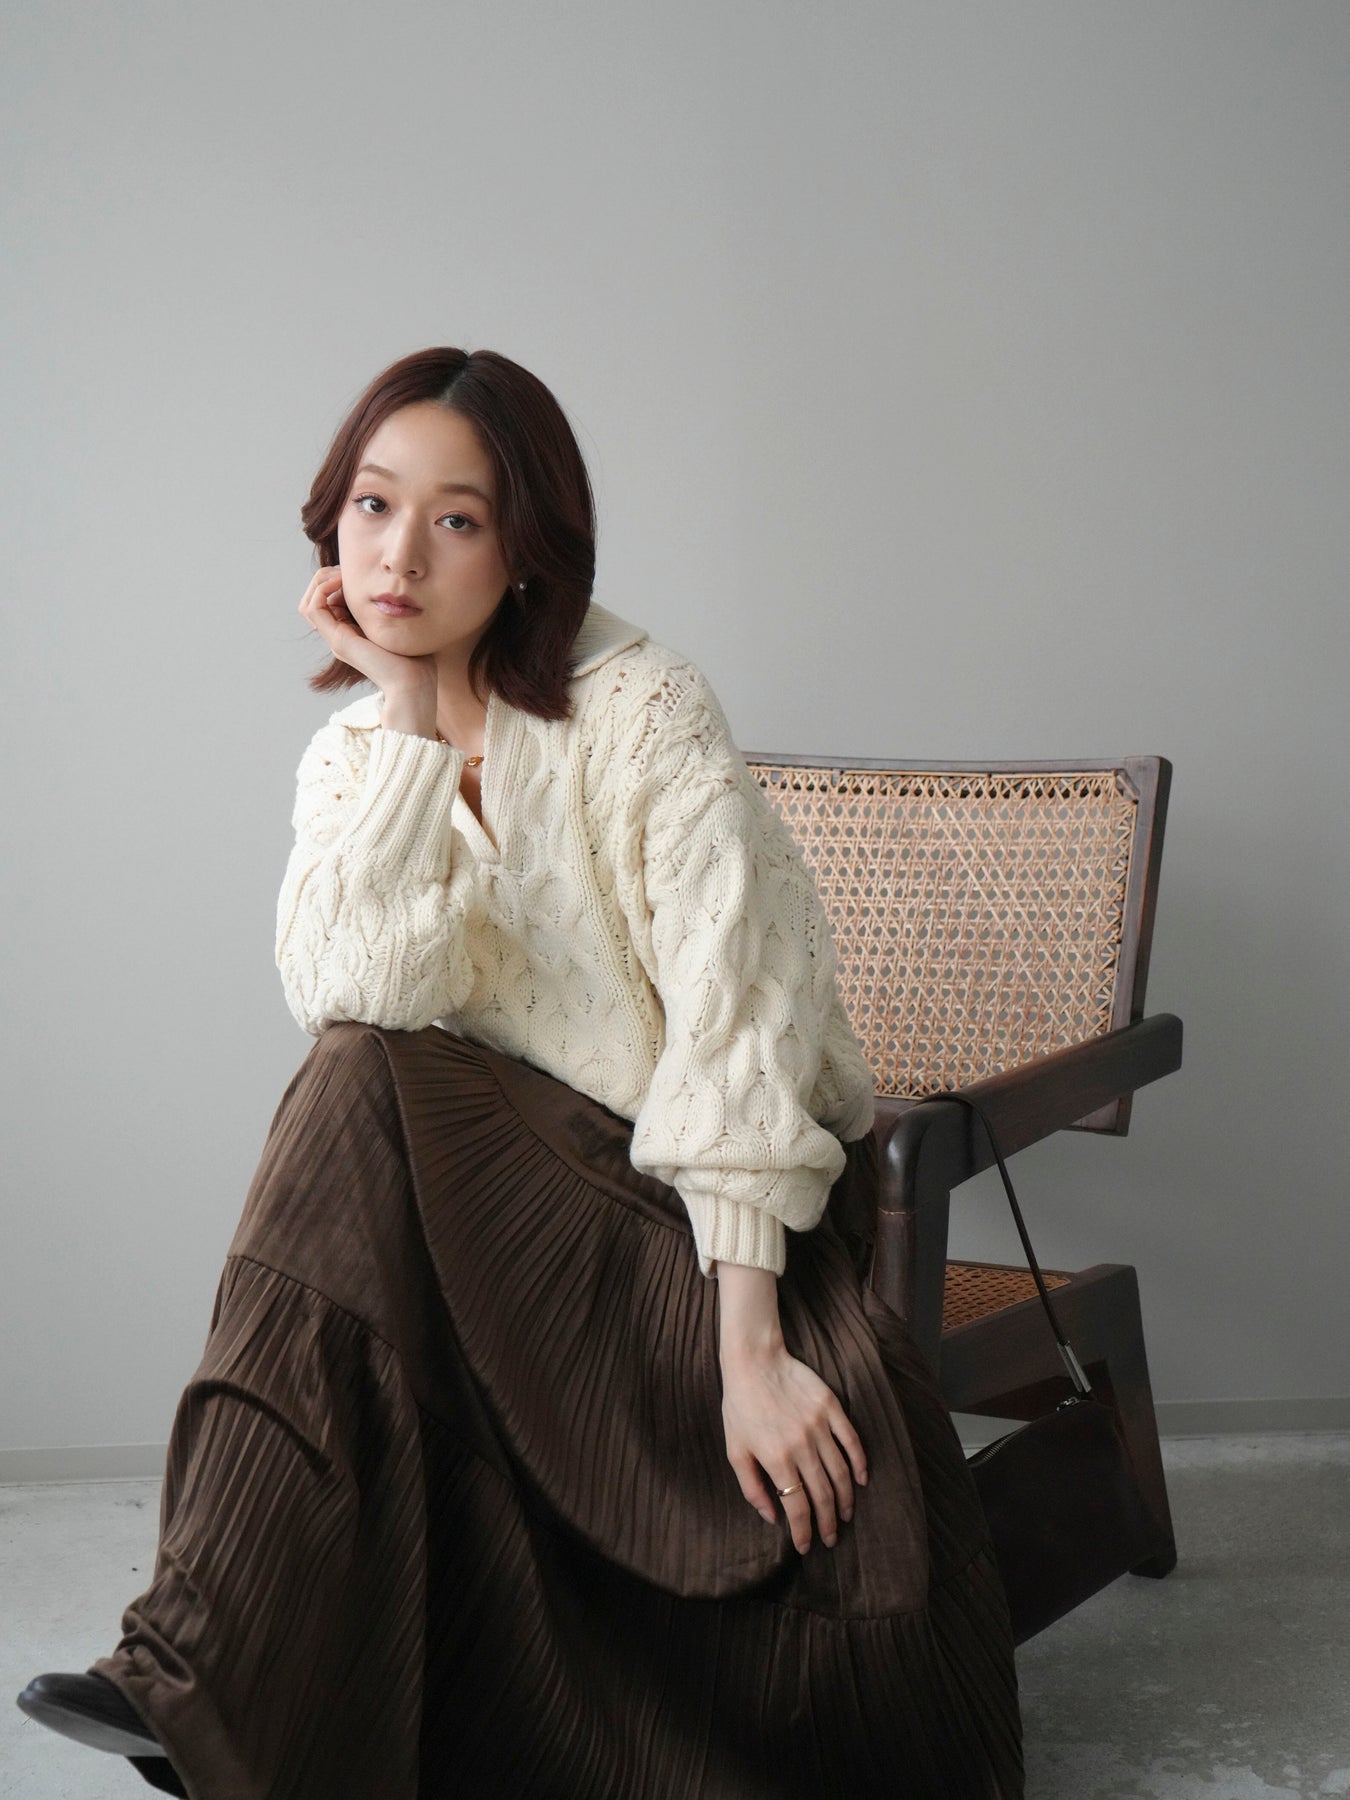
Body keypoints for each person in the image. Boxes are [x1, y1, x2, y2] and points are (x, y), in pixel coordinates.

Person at [16, 347, 1023, 1797]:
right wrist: (407, 716)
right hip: (509, 1227)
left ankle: (202, 1666)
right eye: (373, 507)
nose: (398, 557)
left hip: (702, 1235)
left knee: (361, 1089)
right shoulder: (355, 757)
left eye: (457, 520)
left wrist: (749, 1354)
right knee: (358, 1071)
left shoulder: (645, 710)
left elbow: (739, 1029)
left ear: (527, 549)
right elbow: (351, 995)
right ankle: (188, 1666)